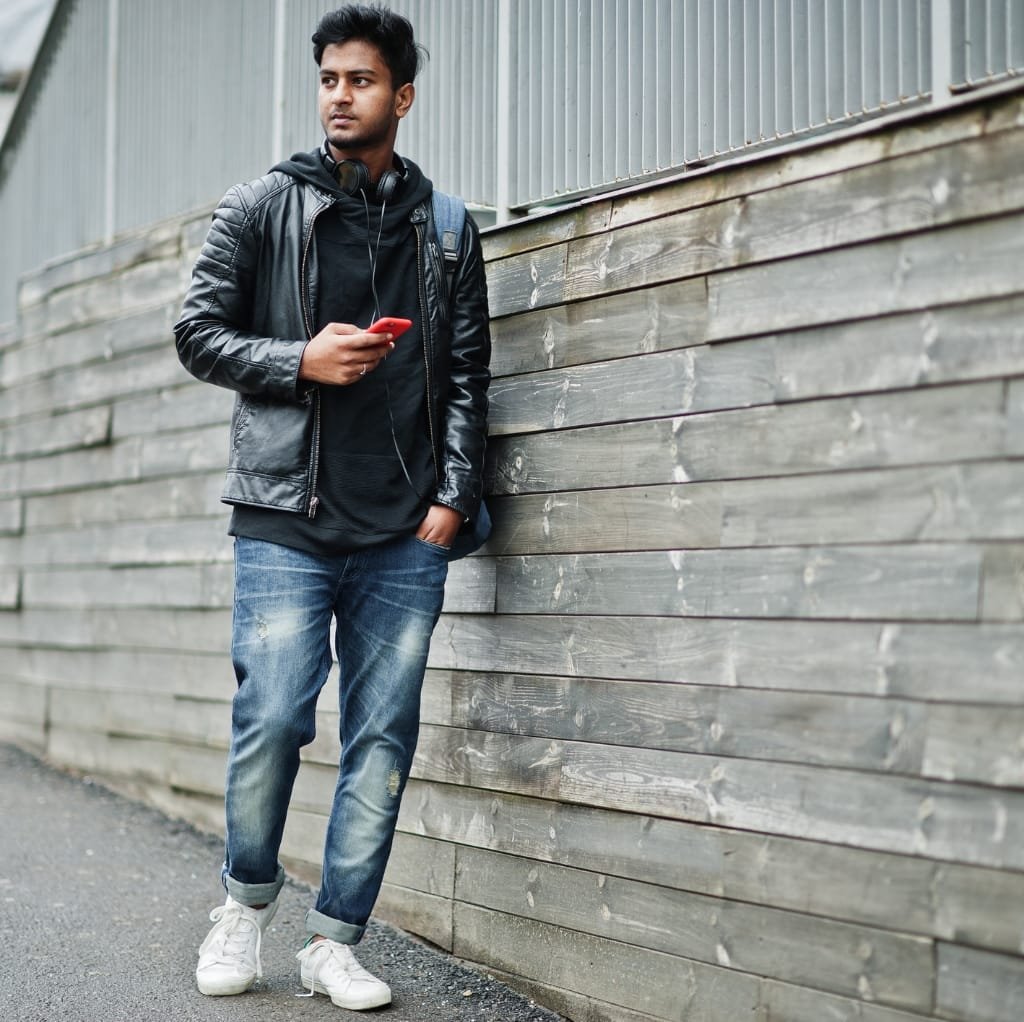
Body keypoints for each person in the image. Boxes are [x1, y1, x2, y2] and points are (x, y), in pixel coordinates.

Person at [173, 4, 490, 1010]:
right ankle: (245, 903)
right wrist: (297, 360)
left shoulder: (444, 229)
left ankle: (335, 939)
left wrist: (452, 495)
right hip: (284, 518)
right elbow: (197, 331)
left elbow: (472, 372)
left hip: (404, 532)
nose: (341, 95)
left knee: (382, 741)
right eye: (329, 80)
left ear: (401, 95)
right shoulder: (262, 205)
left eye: (361, 80)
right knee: (271, 716)